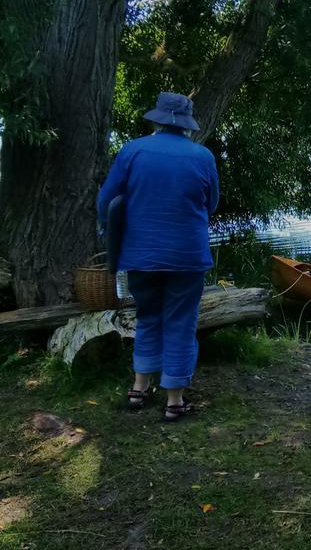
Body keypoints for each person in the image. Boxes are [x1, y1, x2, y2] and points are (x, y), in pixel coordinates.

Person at [97, 92, 219, 422]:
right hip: (188, 256)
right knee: (180, 322)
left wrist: (110, 231)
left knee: (148, 316)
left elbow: (106, 202)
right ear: (186, 125)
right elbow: (211, 205)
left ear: (157, 119)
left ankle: (139, 388)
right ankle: (174, 401)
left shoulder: (132, 150)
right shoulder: (203, 156)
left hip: (140, 255)